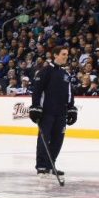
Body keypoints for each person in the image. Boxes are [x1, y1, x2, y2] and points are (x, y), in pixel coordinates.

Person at [29, 46, 78, 175]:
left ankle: (50, 165)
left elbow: (69, 93)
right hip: (47, 112)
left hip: (61, 113)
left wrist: (71, 108)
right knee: (44, 139)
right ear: (55, 55)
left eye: (67, 54)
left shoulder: (65, 74)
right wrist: (35, 107)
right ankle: (41, 166)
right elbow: (37, 91)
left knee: (58, 140)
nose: (66, 56)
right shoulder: (45, 71)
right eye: (63, 54)